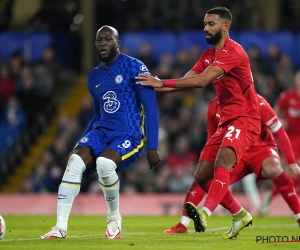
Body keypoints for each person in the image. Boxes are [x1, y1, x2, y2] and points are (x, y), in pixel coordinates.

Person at [136, 6, 262, 238]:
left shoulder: (235, 51)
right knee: (202, 175)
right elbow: (186, 81)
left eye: (211, 23)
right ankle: (240, 214)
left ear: (226, 26)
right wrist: (147, 88)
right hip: (226, 122)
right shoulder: (207, 56)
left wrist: (161, 81)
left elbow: (202, 81)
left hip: (246, 118)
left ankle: (205, 211)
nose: (205, 28)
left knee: (223, 160)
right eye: (204, 24)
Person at [41, 26, 161, 240]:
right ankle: (59, 228)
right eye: (99, 40)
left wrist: (152, 146)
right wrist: (81, 141)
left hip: (129, 134)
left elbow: (151, 107)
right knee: (75, 161)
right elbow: (98, 116)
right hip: (103, 131)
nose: (103, 43)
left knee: (104, 164)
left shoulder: (135, 67)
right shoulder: (94, 76)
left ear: (118, 43)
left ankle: (114, 218)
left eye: (108, 39)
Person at [164, 95, 300, 235]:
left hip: (261, 150)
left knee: (274, 168)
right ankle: (184, 223)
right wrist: (206, 162)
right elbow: (212, 138)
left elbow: (279, 130)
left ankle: (297, 215)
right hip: (236, 152)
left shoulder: (258, 102)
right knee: (203, 178)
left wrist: (290, 160)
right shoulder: (213, 107)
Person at [262, 70, 300, 213]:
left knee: (292, 176)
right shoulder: (287, 96)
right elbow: (274, 113)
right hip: (292, 140)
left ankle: (270, 196)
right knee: (293, 173)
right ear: (296, 82)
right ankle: (294, 208)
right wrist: (281, 121)